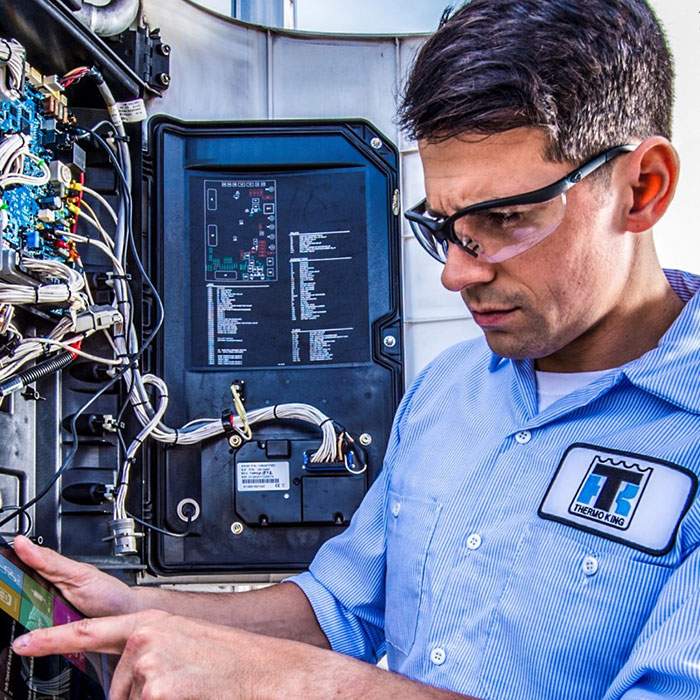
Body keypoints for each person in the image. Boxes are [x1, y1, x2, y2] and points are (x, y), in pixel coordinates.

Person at [10, 0, 700, 697]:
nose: (456, 273)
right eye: (444, 228)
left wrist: (293, 684)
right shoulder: (450, 388)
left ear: (641, 188)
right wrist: (143, 612)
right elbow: (339, 611)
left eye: (504, 219)